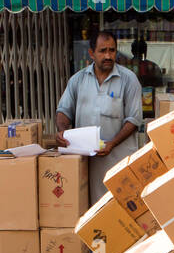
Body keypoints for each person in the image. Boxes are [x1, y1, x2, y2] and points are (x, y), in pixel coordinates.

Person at [56, 30, 144, 207]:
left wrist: (112, 143)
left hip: (120, 162)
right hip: (89, 164)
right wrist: (62, 130)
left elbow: (134, 120)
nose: (108, 56)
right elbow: (64, 110)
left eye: (112, 50)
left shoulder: (128, 79)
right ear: (91, 53)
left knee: (122, 211)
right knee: (93, 211)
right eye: (103, 51)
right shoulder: (78, 80)